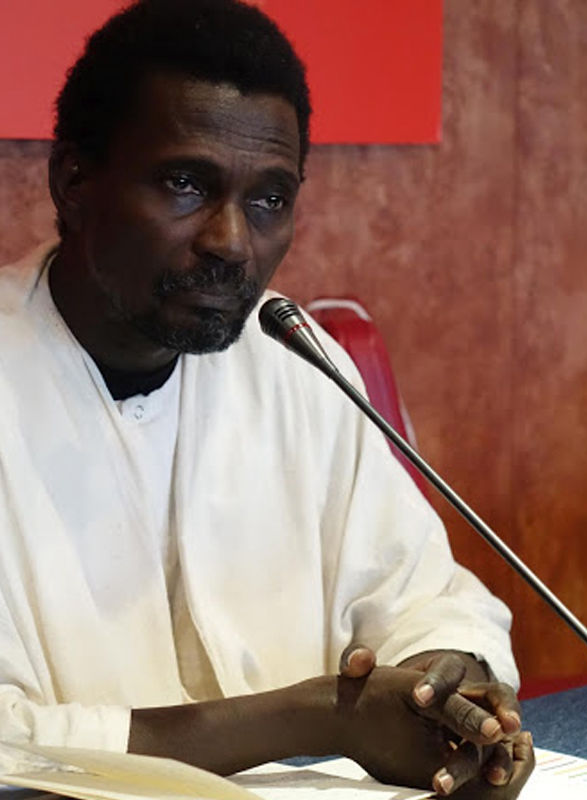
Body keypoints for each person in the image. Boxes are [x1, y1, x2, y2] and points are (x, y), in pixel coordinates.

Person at [0, 0, 533, 796]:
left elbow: (429, 600)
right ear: (74, 180)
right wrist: (318, 717)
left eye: (269, 199)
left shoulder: (294, 364)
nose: (230, 241)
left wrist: (442, 698)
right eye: (186, 184)